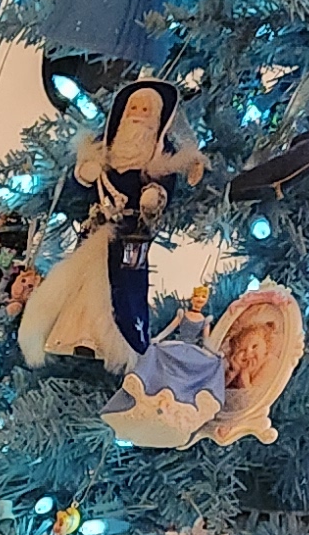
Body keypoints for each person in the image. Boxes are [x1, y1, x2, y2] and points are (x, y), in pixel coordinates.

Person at [16, 80, 206, 373]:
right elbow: (78, 188)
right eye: (134, 108)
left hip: (131, 235)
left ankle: (118, 347)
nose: (138, 114)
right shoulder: (106, 147)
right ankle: (71, 337)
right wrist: (85, 174)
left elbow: (165, 183)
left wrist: (154, 196)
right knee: (82, 285)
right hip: (97, 230)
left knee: (123, 293)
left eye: (145, 110)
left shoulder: (159, 155)